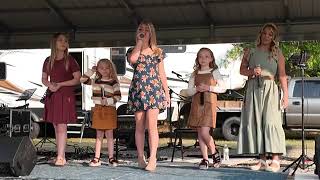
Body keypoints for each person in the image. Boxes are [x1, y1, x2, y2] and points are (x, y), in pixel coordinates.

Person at [237, 23, 288, 172]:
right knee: (257, 122)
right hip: (253, 88)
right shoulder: (249, 51)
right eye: (264, 33)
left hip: (270, 89)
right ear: (260, 34)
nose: (266, 36)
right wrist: (252, 71)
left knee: (272, 122)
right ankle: (262, 160)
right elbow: (241, 70)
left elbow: (282, 75)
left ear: (274, 37)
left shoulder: (277, 52)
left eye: (270, 34)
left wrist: (285, 96)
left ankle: (276, 160)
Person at [127, 20, 169, 171]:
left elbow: (162, 74)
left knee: (152, 126)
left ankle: (153, 158)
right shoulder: (133, 50)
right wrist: (139, 43)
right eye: (140, 29)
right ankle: (140, 157)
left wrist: (167, 92)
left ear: (151, 33)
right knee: (139, 126)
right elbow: (132, 61)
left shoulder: (158, 52)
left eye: (146, 29)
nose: (143, 31)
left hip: (154, 91)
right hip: (138, 91)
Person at [42, 32, 81, 166]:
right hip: (53, 95)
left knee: (62, 126)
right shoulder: (48, 60)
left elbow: (77, 79)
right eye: (60, 40)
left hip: (65, 95)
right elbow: (43, 79)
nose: (64, 43)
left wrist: (60, 85)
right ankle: (61, 156)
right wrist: (49, 85)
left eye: (65, 41)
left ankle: (59, 156)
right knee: (55, 125)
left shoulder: (70, 60)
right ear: (54, 43)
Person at [185, 47, 226, 169]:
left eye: (206, 56)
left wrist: (209, 88)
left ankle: (214, 152)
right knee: (200, 133)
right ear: (197, 59)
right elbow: (189, 91)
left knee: (204, 132)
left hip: (209, 104)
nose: (203, 59)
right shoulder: (194, 73)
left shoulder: (214, 71)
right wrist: (196, 89)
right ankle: (205, 159)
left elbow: (223, 88)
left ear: (211, 58)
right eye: (200, 56)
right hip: (197, 104)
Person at [80, 59, 121, 167]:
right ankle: (96, 158)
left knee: (109, 135)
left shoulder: (114, 82)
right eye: (101, 68)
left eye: (107, 68)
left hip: (109, 110)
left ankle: (111, 158)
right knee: (99, 135)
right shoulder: (95, 81)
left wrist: (108, 101)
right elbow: (82, 80)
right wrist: (91, 71)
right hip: (98, 109)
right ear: (98, 69)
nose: (104, 70)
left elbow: (118, 96)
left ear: (110, 69)